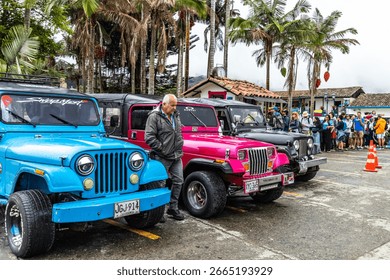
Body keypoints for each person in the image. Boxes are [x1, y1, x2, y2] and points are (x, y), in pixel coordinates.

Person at [145, 94, 185, 221]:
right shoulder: (154, 117)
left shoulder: (175, 115)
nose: (174, 108)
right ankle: (159, 211)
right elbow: (149, 137)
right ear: (164, 104)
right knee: (160, 184)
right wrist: (162, 149)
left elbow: (178, 133)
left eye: (175, 105)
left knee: (179, 181)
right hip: (162, 156)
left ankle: (173, 208)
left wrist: (179, 145)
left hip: (176, 155)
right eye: (172, 105)